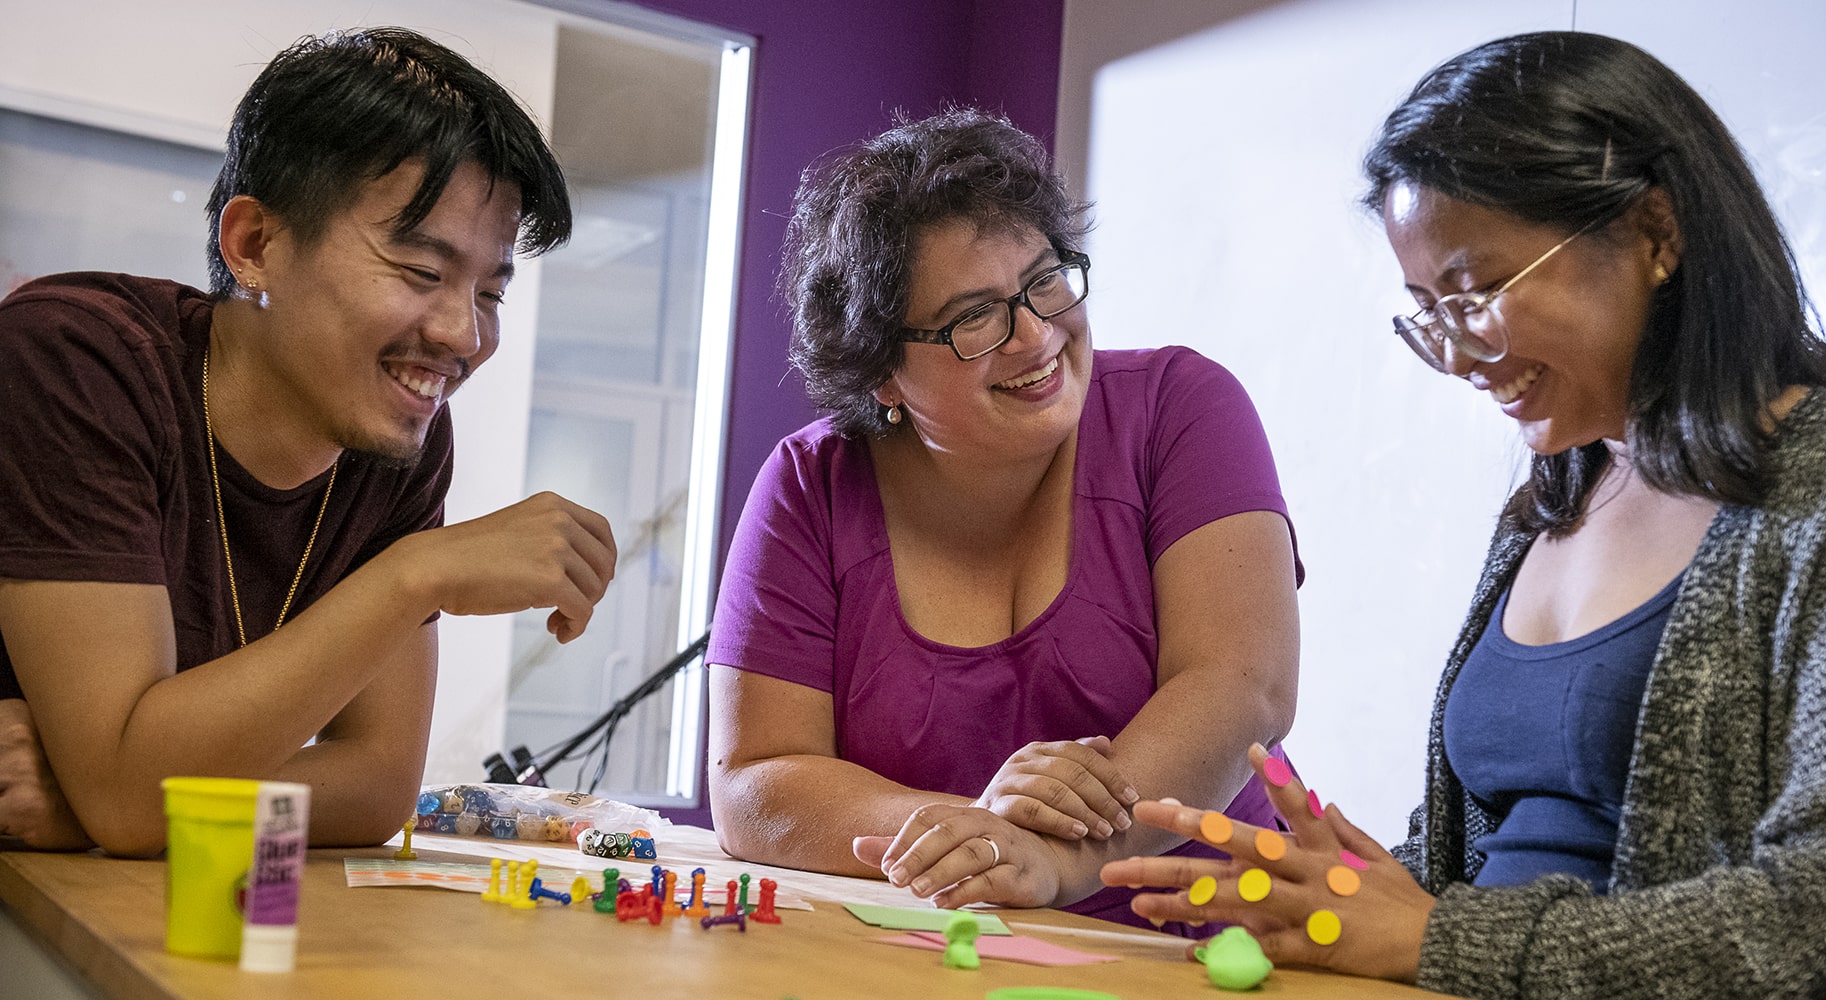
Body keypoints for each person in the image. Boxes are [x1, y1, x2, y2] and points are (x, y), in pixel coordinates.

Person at [1102, 31, 1826, 996]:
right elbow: (1495, 858)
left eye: (1477, 293)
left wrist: (1436, 933)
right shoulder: (1544, 509)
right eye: (1425, 314)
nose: (1453, 355)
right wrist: (1355, 891)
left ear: (1657, 231)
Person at [0, 28, 618, 857]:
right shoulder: (78, 363)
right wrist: (418, 573)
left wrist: (123, 799)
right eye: (421, 273)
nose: (462, 334)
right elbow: (129, 797)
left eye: (491, 293)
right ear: (254, 245)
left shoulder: (395, 440)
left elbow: (375, 788)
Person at [704, 108, 1304, 929]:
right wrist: (970, 833)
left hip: (1219, 948)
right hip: (932, 960)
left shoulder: (1182, 407)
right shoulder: (810, 486)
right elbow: (755, 784)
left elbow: (1244, 687)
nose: (1036, 335)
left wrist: (1057, 860)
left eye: (1044, 280)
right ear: (882, 372)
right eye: (974, 317)